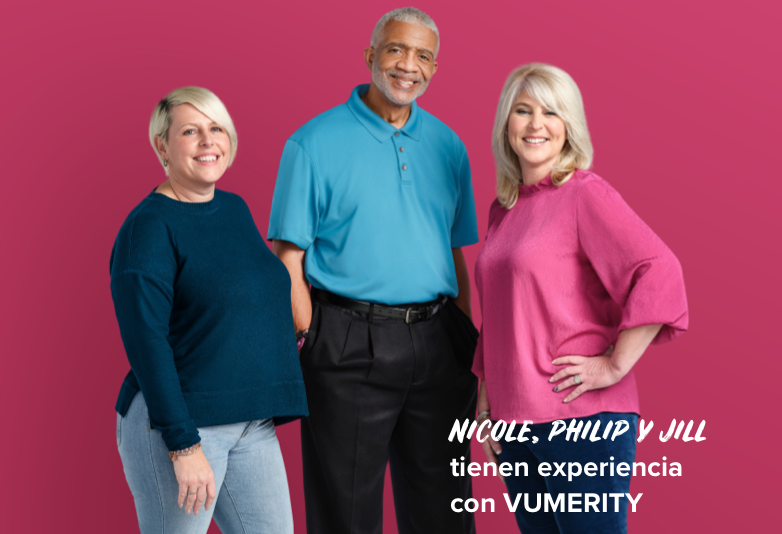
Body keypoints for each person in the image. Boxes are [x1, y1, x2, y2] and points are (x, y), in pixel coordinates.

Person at [268, 7, 480, 534]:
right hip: (345, 342)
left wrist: (463, 339)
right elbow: (288, 259)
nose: (409, 65)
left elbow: (455, 253)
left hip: (438, 341)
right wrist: (311, 335)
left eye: (424, 56)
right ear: (369, 56)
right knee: (346, 512)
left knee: (446, 508)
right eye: (396, 49)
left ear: (434, 68)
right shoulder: (311, 144)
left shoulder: (449, 147)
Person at [473, 63, 688, 534]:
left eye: (551, 112)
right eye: (523, 110)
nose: (535, 124)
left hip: (581, 420)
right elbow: (503, 314)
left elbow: (660, 271)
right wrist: (486, 407)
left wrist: (613, 365)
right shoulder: (503, 211)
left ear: (568, 125)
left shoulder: (583, 194)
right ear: (505, 124)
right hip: (514, 423)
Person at [110, 86, 308, 534]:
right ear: (162, 144)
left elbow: (243, 297)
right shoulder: (148, 227)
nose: (208, 141)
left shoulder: (234, 209)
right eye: (190, 131)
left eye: (216, 128)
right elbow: (146, 342)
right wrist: (182, 445)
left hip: (250, 422)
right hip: (179, 425)